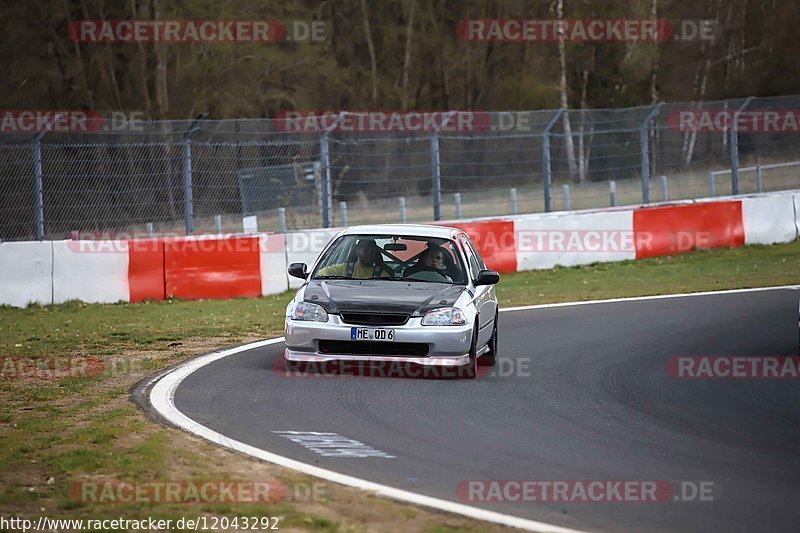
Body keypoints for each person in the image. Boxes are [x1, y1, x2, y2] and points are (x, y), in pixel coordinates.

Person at [317, 238, 390, 279]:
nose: (370, 254)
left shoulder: (383, 275)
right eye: (366, 250)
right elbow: (320, 273)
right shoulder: (343, 269)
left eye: (372, 251)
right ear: (357, 251)